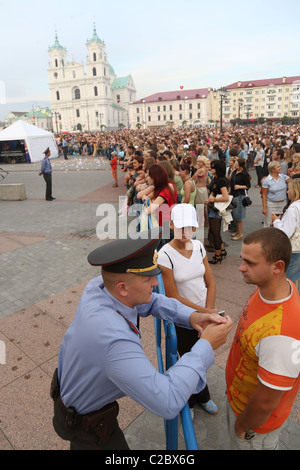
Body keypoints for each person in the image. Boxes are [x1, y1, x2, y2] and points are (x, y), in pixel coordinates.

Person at [51, 229, 233, 450]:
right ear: (123, 288)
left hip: (75, 397)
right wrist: (206, 345)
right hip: (85, 425)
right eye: (148, 279)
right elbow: (167, 400)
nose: (156, 283)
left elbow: (151, 301)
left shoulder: (99, 287)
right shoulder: (113, 342)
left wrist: (192, 315)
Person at [225, 227, 300, 450]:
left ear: (278, 267)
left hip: (253, 426)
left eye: (250, 263)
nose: (241, 268)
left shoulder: (282, 333)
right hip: (240, 403)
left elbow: (266, 402)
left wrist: (241, 427)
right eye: (242, 259)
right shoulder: (268, 288)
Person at [158, 204, 219, 416]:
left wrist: (208, 311)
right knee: (188, 358)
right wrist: (204, 313)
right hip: (183, 317)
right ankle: (191, 400)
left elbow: (210, 282)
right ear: (172, 225)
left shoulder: (199, 246)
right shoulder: (165, 254)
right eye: (181, 227)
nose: (186, 232)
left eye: (190, 227)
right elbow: (173, 296)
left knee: (202, 357)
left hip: (205, 313)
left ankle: (201, 396)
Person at [272, 178, 300, 290]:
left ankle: (290, 304)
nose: (287, 192)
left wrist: (276, 221)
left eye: (289, 189)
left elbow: (286, 232)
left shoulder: (293, 208)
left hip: (294, 249)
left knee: (289, 280)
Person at [205, 160, 230, 264]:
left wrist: (213, 199)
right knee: (215, 232)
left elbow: (226, 197)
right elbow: (213, 191)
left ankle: (218, 255)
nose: (210, 168)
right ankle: (222, 251)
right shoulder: (216, 178)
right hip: (214, 208)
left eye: (212, 167)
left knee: (215, 233)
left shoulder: (221, 180)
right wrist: (211, 197)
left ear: (218, 169)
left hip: (217, 209)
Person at [261, 161, 290, 227]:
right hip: (271, 204)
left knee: (283, 222)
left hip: (283, 203)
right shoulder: (267, 181)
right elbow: (264, 195)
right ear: (273, 170)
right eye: (278, 167)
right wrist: (264, 208)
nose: (280, 168)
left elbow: (293, 183)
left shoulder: (283, 177)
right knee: (269, 222)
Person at [229, 158, 251, 241]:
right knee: (235, 215)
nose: (235, 166)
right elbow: (231, 184)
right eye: (235, 164)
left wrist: (240, 187)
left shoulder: (244, 174)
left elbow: (248, 185)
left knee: (239, 216)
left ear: (241, 166)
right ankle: (238, 231)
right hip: (234, 195)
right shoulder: (234, 172)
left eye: (237, 165)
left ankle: (240, 234)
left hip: (240, 195)